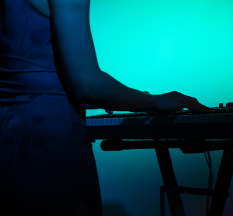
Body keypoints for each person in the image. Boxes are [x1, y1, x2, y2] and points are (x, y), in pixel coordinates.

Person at [0, 0, 211, 215]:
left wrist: (122, 98)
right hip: (47, 144)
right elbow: (88, 85)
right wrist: (155, 102)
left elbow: (26, 77)